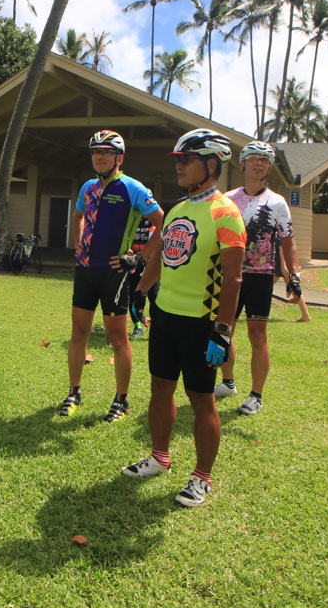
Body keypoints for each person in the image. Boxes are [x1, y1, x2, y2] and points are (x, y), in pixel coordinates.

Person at [121, 129, 245, 508]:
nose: (178, 166)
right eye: (177, 160)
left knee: (201, 399)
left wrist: (222, 332)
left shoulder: (226, 213)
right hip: (166, 317)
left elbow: (234, 278)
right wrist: (141, 291)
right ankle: (160, 457)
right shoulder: (177, 208)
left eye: (185, 160)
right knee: (160, 388)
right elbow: (160, 257)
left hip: (201, 322)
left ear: (211, 164)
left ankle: (202, 477)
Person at [60, 130, 164, 423]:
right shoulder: (88, 188)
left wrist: (139, 258)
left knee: (117, 338)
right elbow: (78, 216)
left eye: (106, 152)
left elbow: (161, 222)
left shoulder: (133, 188)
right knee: (78, 333)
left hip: (115, 274)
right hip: (85, 271)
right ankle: (74, 391)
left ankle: (121, 400)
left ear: (119, 157)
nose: (100, 156)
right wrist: (78, 241)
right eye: (95, 152)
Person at [214, 140, 302, 415]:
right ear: (242, 165)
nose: (258, 163)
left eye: (264, 160)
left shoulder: (277, 202)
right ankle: (228, 383)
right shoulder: (226, 198)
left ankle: (256, 395)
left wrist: (294, 275)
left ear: (269, 167)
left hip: (261, 276)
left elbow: (289, 242)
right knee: (224, 329)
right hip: (229, 273)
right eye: (253, 158)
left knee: (257, 335)